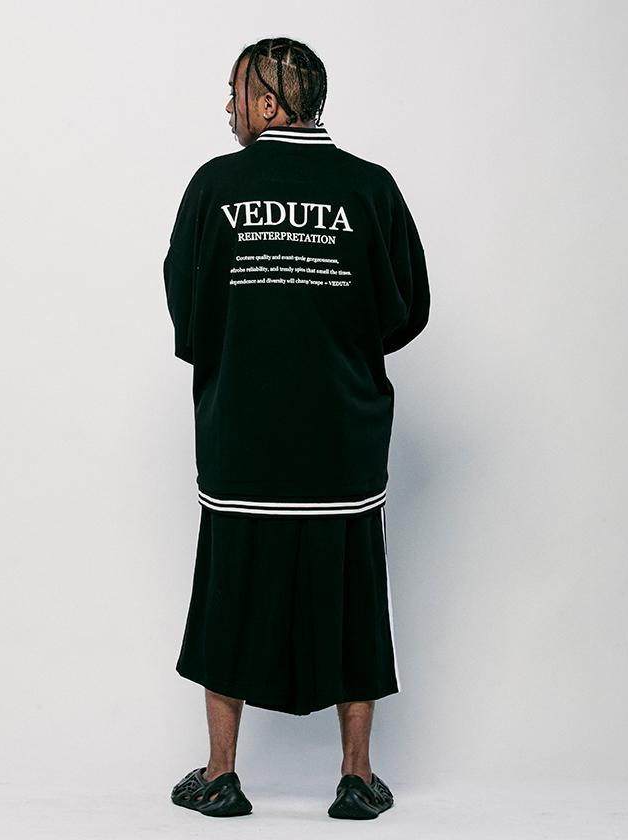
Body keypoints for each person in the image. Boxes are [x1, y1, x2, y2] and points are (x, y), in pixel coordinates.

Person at [163, 37, 430, 819]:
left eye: (236, 93)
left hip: (242, 434)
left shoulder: (215, 187)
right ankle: (357, 777)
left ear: (269, 103)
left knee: (228, 598)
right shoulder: (370, 188)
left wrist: (243, 348)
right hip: (341, 436)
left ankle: (220, 776)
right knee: (353, 598)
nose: (228, 108)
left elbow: (187, 306)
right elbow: (405, 307)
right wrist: (333, 346)